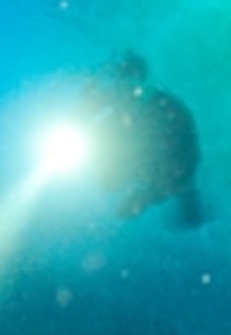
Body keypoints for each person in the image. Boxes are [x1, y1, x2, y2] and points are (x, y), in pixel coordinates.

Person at [84, 52, 205, 227]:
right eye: (119, 85)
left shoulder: (166, 109)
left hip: (159, 179)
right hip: (140, 178)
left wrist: (147, 197)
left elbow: (184, 161)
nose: (124, 91)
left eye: (130, 85)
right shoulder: (117, 110)